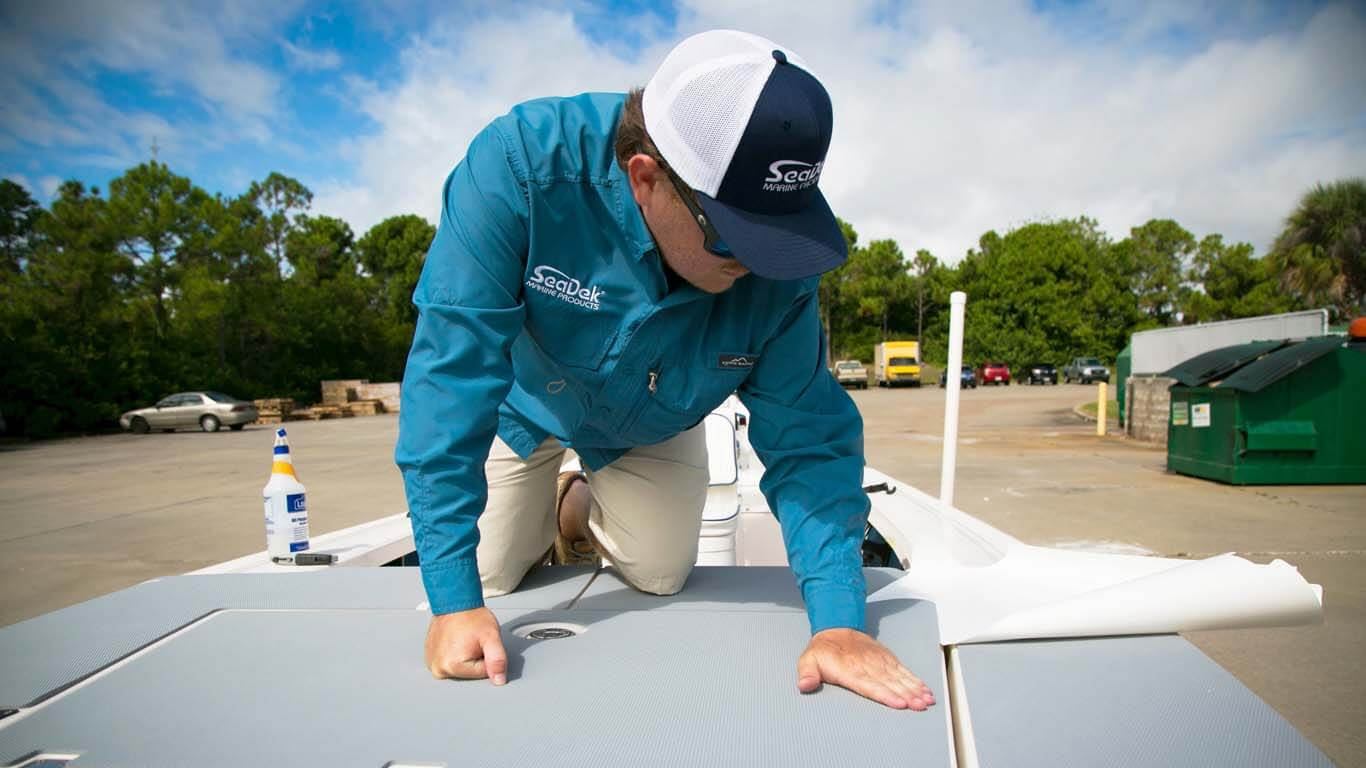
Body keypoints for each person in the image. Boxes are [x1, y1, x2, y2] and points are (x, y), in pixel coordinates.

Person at [395, 29, 934, 711]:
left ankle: (574, 507)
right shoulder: (518, 165)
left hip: (653, 423)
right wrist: (451, 600)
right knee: (489, 578)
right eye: (731, 235)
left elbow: (807, 438)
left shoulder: (779, 271)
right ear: (646, 176)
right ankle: (554, 494)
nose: (758, 264)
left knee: (659, 573)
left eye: (776, 234)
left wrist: (837, 621)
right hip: (525, 406)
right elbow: (450, 377)